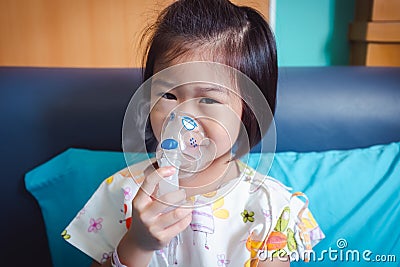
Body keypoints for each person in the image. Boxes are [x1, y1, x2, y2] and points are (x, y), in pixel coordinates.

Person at [63, 0, 324, 266]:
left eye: (208, 100)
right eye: (168, 95)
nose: (183, 117)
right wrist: (138, 244)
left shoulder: (269, 206)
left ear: (250, 111)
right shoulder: (121, 191)